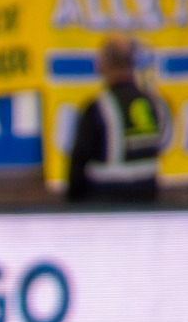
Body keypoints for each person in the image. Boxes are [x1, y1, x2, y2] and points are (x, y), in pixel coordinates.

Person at [66, 35, 167, 205]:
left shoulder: (98, 108)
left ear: (102, 65)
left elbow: (78, 166)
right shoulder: (153, 103)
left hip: (107, 204)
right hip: (148, 201)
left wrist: (72, 206)